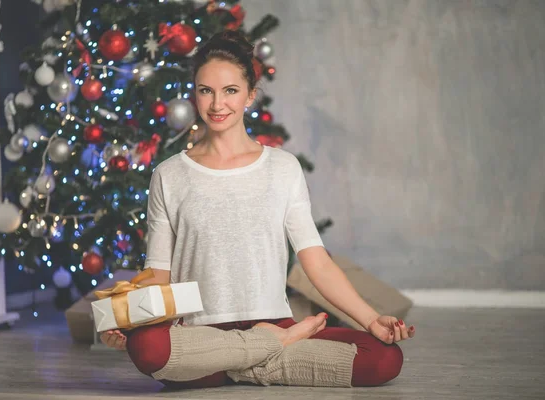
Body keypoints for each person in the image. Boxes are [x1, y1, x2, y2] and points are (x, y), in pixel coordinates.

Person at [100, 30, 415, 389]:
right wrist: (132, 322)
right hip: (199, 332)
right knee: (147, 347)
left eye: (230, 91)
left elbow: (317, 262)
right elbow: (158, 274)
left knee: (385, 358)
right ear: (195, 94)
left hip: (263, 325)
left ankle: (227, 365)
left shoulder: (282, 168)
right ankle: (270, 349)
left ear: (250, 95)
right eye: (206, 91)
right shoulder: (169, 174)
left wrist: (372, 320)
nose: (217, 104)